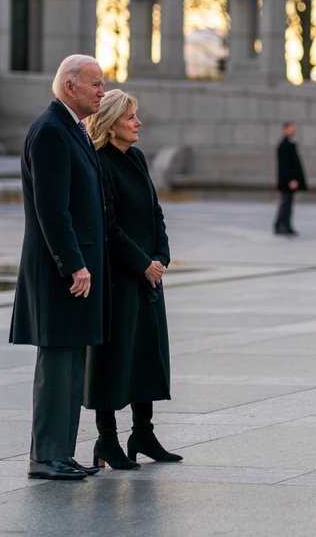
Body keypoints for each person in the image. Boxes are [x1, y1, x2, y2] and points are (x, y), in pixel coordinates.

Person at [9, 54, 110, 481]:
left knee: (71, 363)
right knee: (57, 365)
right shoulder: (51, 130)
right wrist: (73, 264)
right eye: (96, 85)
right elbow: (53, 210)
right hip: (61, 273)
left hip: (73, 270)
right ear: (69, 87)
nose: (102, 92)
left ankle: (61, 454)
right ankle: (45, 456)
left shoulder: (72, 128)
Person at [82, 90, 181, 469]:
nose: (138, 123)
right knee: (113, 358)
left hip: (147, 276)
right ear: (110, 124)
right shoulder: (99, 162)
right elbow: (107, 224)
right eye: (130, 117)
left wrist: (160, 258)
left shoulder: (137, 158)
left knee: (146, 354)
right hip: (119, 278)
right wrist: (142, 263)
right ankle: (106, 441)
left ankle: (143, 433)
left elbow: (155, 213)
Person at [274, 121, 307, 236]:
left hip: (289, 181)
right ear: (285, 130)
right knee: (285, 204)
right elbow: (285, 165)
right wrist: (291, 180)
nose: (293, 131)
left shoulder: (290, 143)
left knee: (288, 204)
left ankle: (286, 225)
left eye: (294, 128)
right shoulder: (284, 145)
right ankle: (280, 225)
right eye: (291, 129)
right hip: (287, 181)